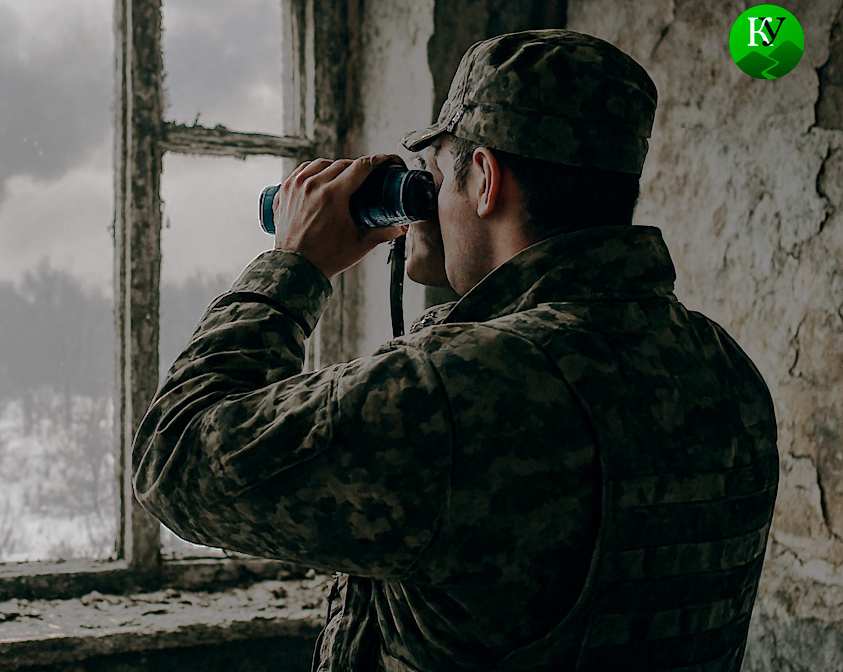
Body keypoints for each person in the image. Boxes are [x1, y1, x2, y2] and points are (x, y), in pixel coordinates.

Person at [132, 29, 778, 672]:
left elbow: (174, 457)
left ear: (487, 179)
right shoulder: (726, 373)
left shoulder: (456, 392)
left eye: (439, 176)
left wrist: (294, 267)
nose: (430, 202)